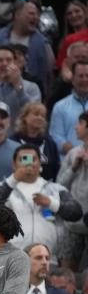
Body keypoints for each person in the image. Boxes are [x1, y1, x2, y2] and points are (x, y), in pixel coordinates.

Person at [0, 144, 83, 255]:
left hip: (47, 258)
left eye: (33, 159)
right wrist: (13, 179)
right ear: (14, 164)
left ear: (40, 163)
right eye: (23, 159)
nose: (29, 163)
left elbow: (77, 213)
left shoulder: (55, 189)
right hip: (11, 259)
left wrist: (51, 203)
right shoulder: (1, 187)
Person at [0, 0, 55, 94]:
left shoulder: (43, 43)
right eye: (31, 14)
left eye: (37, 15)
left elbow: (50, 76)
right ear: (17, 14)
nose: (36, 18)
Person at [56, 112, 88, 268]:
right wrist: (74, 168)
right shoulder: (73, 153)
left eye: (80, 123)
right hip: (71, 224)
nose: (76, 127)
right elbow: (59, 185)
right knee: (66, 272)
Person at [11, 101, 60, 182]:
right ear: (25, 117)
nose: (40, 118)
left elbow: (56, 169)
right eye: (36, 114)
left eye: (43, 116)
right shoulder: (14, 141)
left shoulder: (50, 143)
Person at [49, 60, 88, 155]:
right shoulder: (60, 106)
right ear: (73, 79)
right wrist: (77, 153)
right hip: (69, 163)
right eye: (80, 76)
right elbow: (56, 136)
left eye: (87, 75)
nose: (85, 79)